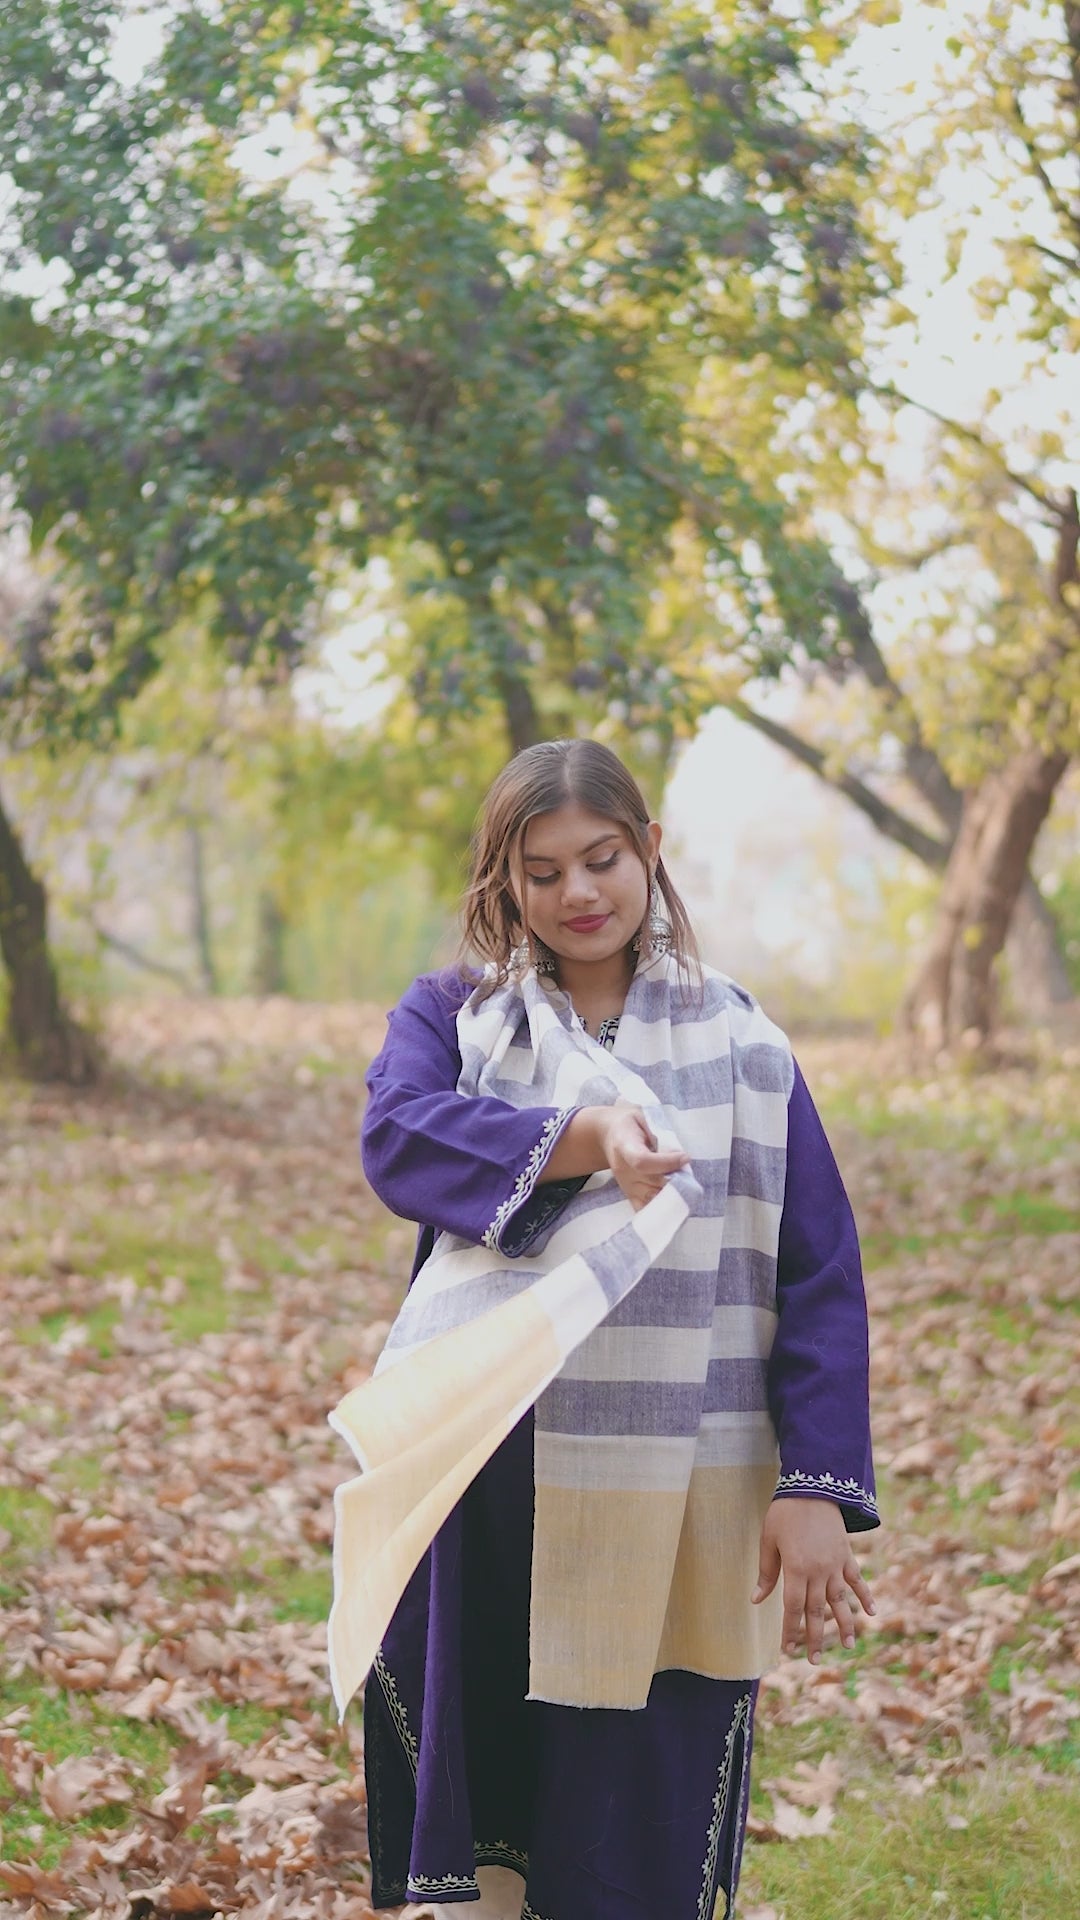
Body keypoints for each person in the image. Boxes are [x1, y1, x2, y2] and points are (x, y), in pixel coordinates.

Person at [348, 738, 878, 1920]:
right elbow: (399, 1139)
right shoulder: (455, 1018)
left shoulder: (748, 1049)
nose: (579, 893)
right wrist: (587, 1142)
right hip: (493, 1472)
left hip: (682, 1479)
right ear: (506, 883)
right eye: (544, 873)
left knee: (637, 1805)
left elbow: (820, 1272)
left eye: (601, 859)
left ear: (648, 852)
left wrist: (816, 1486)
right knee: (488, 1789)